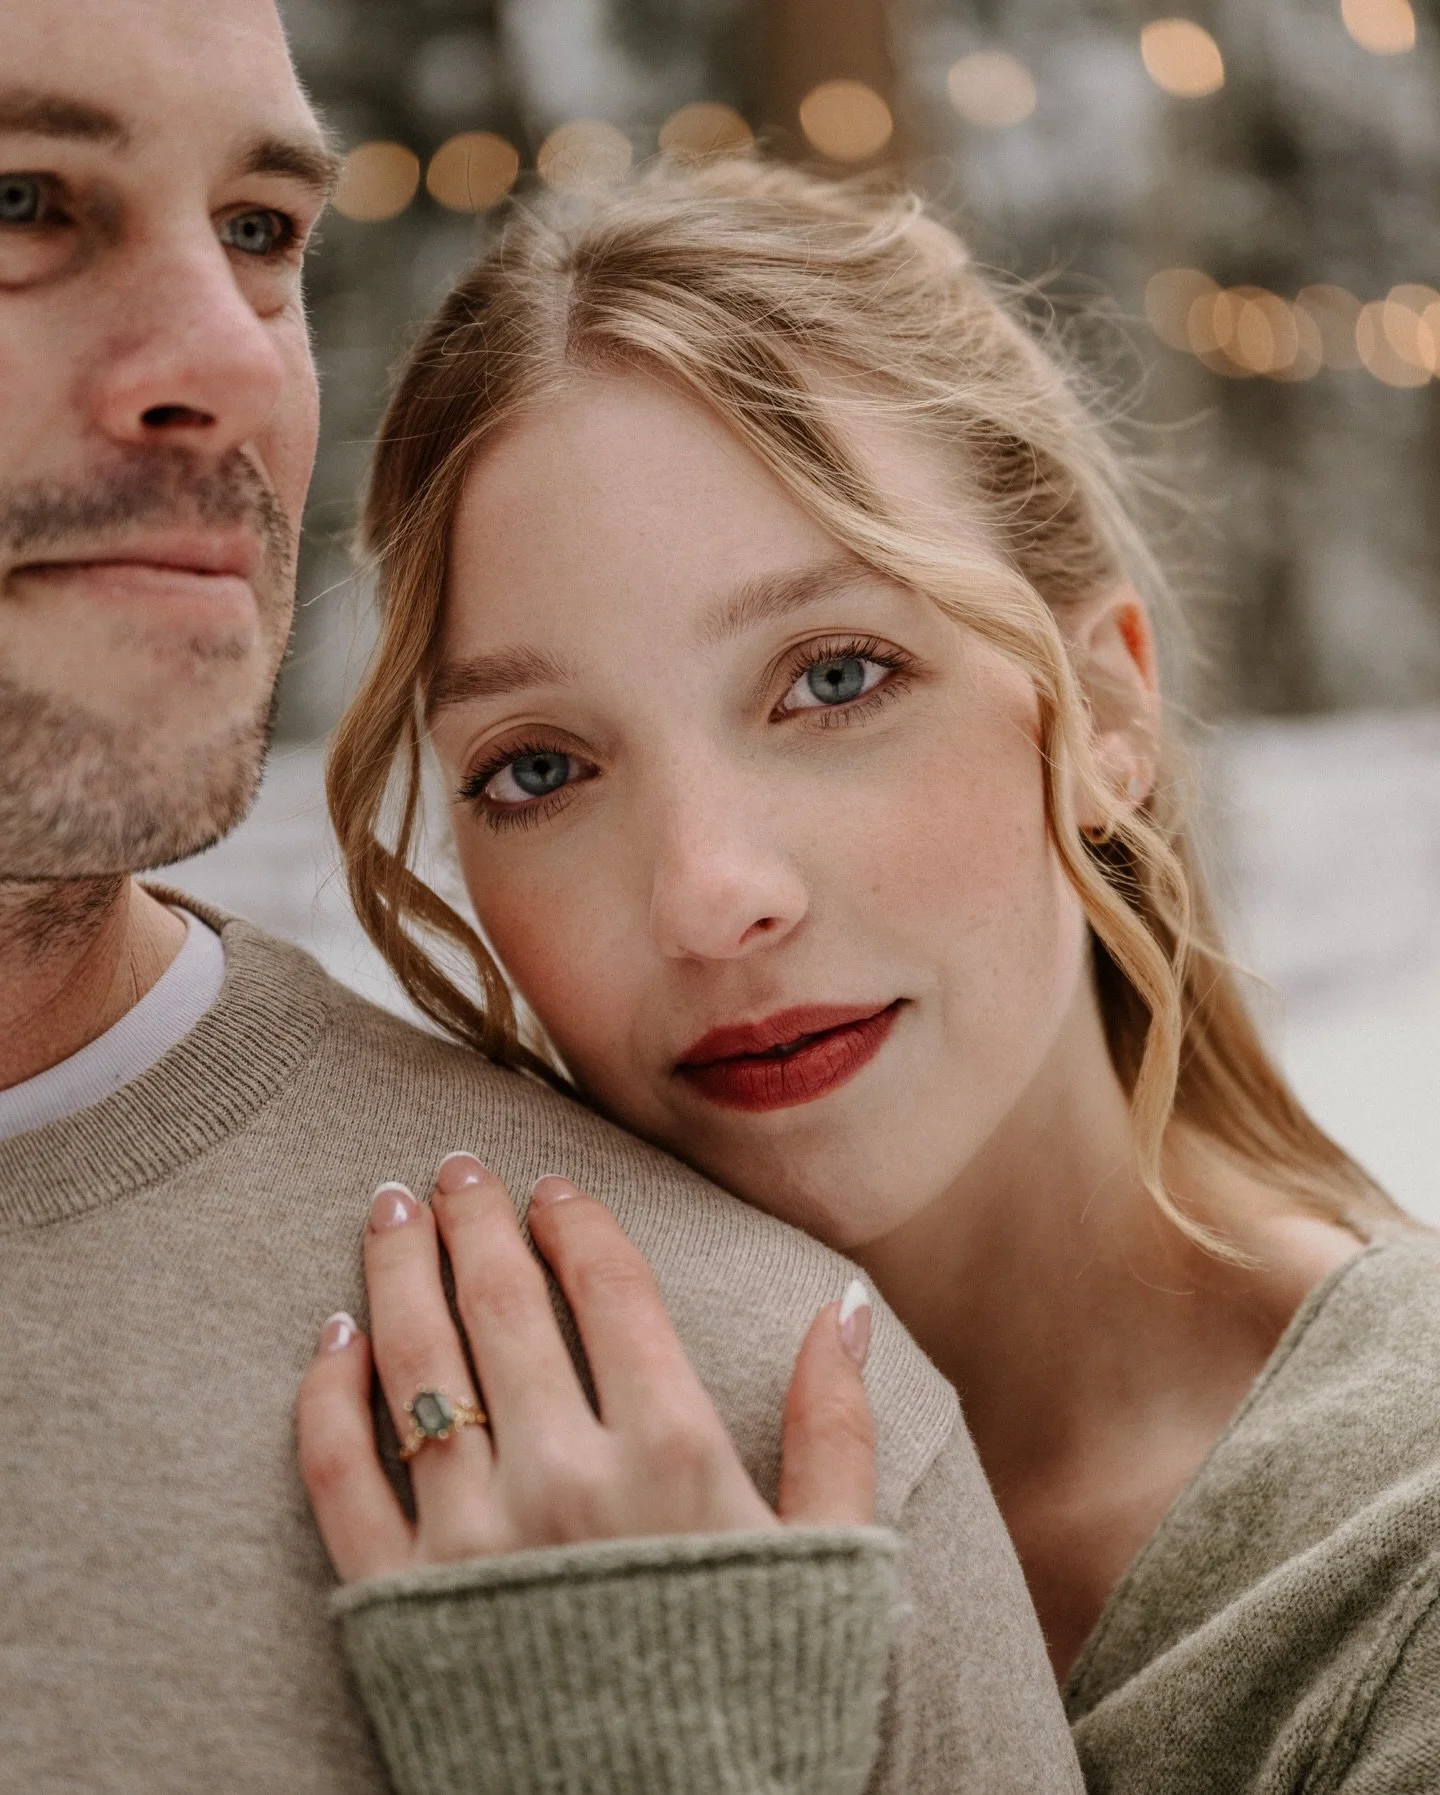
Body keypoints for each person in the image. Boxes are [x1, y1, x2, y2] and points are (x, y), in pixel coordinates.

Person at [0, 7, 1078, 1792]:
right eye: (22, 199)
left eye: (264, 228)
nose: (228, 360)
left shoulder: (725, 1433)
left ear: (1105, 705)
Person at [300, 156, 1440, 1794]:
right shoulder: (472, 1474)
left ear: (1104, 711)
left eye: (836, 676)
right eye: (539, 769)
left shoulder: (1396, 1560)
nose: (710, 895)